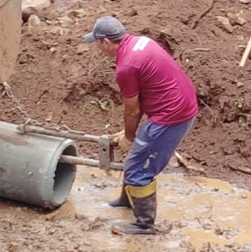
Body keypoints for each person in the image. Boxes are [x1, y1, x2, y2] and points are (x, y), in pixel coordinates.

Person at [83, 16, 198, 235]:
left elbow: (132, 109)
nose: (98, 48)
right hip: (181, 103)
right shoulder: (141, 42)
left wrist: (129, 136)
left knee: (138, 169)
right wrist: (132, 134)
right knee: (137, 154)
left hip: (172, 115)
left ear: (106, 42)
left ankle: (144, 224)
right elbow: (146, 89)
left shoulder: (125, 66)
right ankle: (127, 201)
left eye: (97, 44)